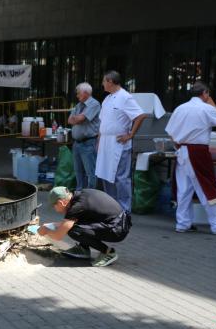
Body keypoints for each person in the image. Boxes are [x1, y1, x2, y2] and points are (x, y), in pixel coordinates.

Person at [165, 81, 216, 235]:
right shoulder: (206, 109)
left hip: (181, 150)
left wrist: (179, 145)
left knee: (184, 189)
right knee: (207, 187)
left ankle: (183, 223)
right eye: (208, 94)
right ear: (205, 93)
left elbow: (171, 133)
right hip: (197, 152)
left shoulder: (179, 109)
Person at [35, 186, 130, 266]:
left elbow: (58, 236)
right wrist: (53, 225)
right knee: (76, 224)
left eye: (54, 206)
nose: (54, 209)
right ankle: (83, 249)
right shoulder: (80, 195)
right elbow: (68, 223)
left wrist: (45, 231)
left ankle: (109, 252)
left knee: (73, 230)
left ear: (61, 202)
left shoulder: (76, 207)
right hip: (120, 222)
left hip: (118, 230)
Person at [95, 71, 146, 213]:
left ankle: (124, 210)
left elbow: (140, 115)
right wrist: (99, 140)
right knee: (105, 175)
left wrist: (130, 134)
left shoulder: (125, 97)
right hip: (105, 141)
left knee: (121, 177)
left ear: (110, 81)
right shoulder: (107, 99)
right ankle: (111, 208)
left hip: (118, 142)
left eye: (104, 81)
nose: (103, 84)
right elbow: (102, 122)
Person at [68, 82, 101, 190]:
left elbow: (79, 119)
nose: (77, 96)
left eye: (78, 93)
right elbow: (70, 120)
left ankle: (91, 195)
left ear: (86, 93)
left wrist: (77, 118)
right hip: (77, 143)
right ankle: (79, 194)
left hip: (88, 142)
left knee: (90, 172)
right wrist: (78, 118)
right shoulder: (78, 105)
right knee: (78, 171)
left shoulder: (94, 104)